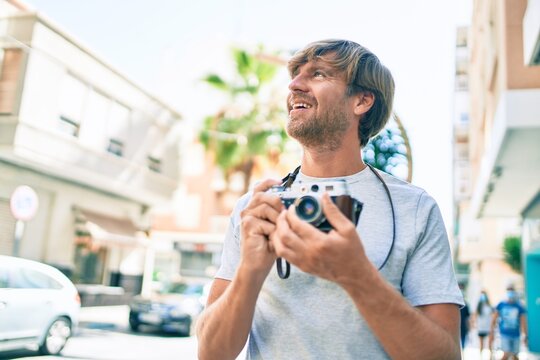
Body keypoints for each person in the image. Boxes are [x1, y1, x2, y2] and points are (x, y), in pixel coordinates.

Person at [196, 39, 464, 359]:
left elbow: (446, 355)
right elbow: (211, 353)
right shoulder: (256, 209)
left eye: (319, 74)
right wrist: (251, 271)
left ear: (362, 100)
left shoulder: (415, 209)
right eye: (296, 76)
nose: (295, 85)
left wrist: (357, 275)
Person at [490, 285, 528, 360]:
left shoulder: (519, 306)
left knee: (515, 356)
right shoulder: (501, 304)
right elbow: (494, 319)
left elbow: (523, 321)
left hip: (516, 334)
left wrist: (525, 335)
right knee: (506, 354)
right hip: (504, 334)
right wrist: (492, 332)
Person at [473, 290, 493, 354]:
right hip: (481, 327)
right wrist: (474, 324)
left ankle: (490, 357)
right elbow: (475, 315)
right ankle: (481, 356)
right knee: (481, 344)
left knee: (490, 344)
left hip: (488, 327)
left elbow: (493, 315)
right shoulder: (478, 306)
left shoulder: (489, 306)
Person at [459, 283, 471, 348]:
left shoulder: (466, 305)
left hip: (463, 328)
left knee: (463, 346)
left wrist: (469, 328)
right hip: (456, 328)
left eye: (462, 289)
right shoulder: (453, 305)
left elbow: (467, 318)